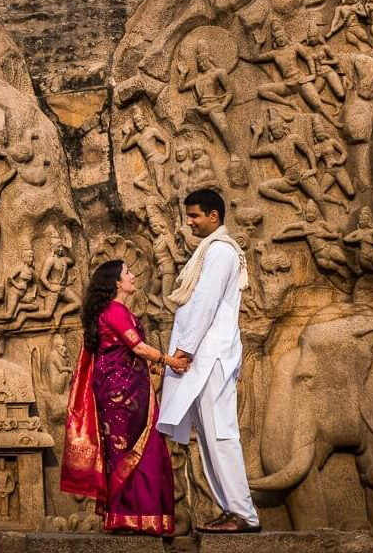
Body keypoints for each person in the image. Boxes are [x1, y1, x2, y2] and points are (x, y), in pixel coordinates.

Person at [156, 188, 261, 533]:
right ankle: (232, 509)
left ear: (213, 216)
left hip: (210, 355)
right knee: (210, 435)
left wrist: (183, 351)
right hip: (205, 355)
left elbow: (205, 303)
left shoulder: (219, 252)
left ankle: (243, 514)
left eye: (194, 216)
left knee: (221, 434)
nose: (189, 223)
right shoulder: (208, 251)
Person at [60, 259, 180, 536]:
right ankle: (128, 517)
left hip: (129, 391)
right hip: (121, 396)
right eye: (128, 273)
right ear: (116, 282)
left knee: (135, 452)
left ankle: (132, 518)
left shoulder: (118, 311)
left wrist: (155, 364)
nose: (133, 276)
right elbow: (137, 348)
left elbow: (128, 352)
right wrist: (170, 360)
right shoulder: (115, 311)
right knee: (135, 452)